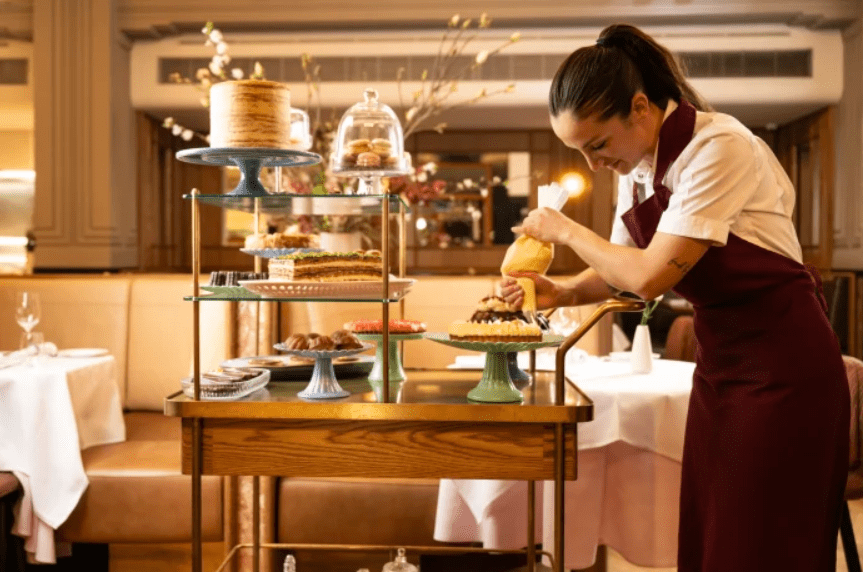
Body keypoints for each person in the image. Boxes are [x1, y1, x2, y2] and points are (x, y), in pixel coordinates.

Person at [501, 23, 849, 571]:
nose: (594, 163)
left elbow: (647, 278)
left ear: (640, 107)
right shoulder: (637, 167)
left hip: (785, 370)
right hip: (719, 370)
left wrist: (565, 230)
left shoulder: (719, 147)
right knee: (713, 536)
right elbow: (619, 270)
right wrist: (560, 290)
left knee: (759, 542)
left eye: (597, 145)